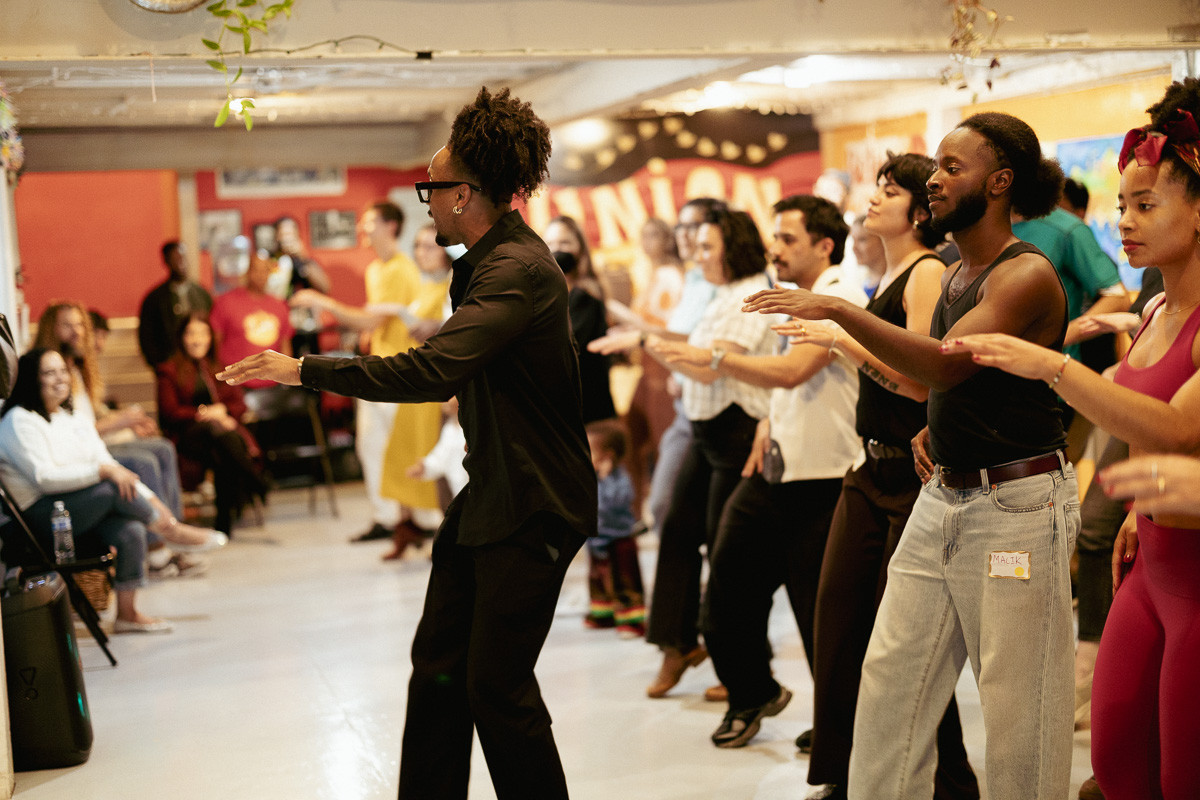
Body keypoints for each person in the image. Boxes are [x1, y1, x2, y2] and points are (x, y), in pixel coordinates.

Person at [216, 86, 596, 800]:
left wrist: (304, 369)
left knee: (497, 687)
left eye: (432, 188)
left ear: (466, 194)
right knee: (441, 669)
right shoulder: (486, 263)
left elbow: (430, 368)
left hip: (537, 504)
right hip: (495, 494)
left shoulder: (516, 272)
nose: (426, 200)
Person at [744, 111, 1077, 800]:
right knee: (891, 686)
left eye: (953, 167)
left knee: (1019, 714)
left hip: (1016, 506)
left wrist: (837, 314)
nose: (934, 179)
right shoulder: (958, 270)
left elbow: (946, 365)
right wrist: (938, 424)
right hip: (945, 495)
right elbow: (951, 386)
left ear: (1000, 181)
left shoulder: (1025, 274)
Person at [942, 79, 1200, 800]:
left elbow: (1179, 427)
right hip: (1150, 564)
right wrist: (1130, 514)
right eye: (1122, 204)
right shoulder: (1152, 313)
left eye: (1146, 205)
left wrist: (1052, 364)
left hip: (1197, 581)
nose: (1126, 222)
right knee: (1115, 761)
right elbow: (1146, 430)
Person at [778, 155, 977, 800]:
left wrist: (840, 337)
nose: (873, 200)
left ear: (919, 210)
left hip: (908, 478)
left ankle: (950, 783)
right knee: (836, 628)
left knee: (908, 645)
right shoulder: (890, 272)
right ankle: (837, 775)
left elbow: (920, 383)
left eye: (888, 193)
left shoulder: (925, 273)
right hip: (866, 472)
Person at [654, 194, 867, 749]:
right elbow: (788, 383)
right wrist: (768, 423)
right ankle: (752, 692)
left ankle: (840, 729)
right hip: (776, 467)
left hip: (826, 478)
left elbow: (795, 371)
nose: (775, 247)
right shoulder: (794, 299)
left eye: (788, 239)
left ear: (824, 245)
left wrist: (717, 360)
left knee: (820, 615)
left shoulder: (839, 294)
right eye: (774, 237)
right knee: (725, 588)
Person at [640, 207, 780, 699]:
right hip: (704, 432)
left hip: (736, 433)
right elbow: (695, 350)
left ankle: (743, 663)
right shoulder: (719, 292)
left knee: (729, 553)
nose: (696, 256)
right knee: (676, 528)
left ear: (733, 248)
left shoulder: (751, 293)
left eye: (706, 248)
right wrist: (645, 338)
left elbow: (710, 368)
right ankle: (677, 645)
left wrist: (647, 343)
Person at [0, 349, 226, 634]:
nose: (60, 378)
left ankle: (127, 614)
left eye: (62, 371)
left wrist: (151, 499)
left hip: (78, 508)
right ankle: (170, 533)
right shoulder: (18, 421)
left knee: (130, 529)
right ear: (32, 379)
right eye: (49, 372)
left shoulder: (73, 417)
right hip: (38, 518)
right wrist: (103, 472)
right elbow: (45, 479)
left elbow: (110, 466)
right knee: (110, 486)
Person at [291, 203, 446, 557]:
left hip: (401, 374)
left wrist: (323, 301)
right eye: (421, 246)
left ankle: (421, 522)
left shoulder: (405, 272)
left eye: (371, 221)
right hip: (379, 367)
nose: (363, 226)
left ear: (391, 226)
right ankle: (393, 519)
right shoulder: (378, 270)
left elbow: (376, 321)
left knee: (405, 451)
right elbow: (378, 323)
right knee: (375, 447)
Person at [36, 301, 186, 525]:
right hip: (80, 454)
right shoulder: (50, 377)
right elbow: (72, 433)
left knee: (163, 447)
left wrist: (127, 421)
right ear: (51, 330)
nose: (77, 331)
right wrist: (120, 421)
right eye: (67, 325)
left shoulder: (76, 368)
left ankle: (173, 526)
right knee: (144, 461)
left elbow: (88, 419)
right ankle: (158, 546)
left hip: (95, 441)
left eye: (80, 325)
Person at [156, 313, 268, 534]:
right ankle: (256, 481)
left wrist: (223, 411)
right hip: (187, 436)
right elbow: (169, 412)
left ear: (211, 338)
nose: (197, 340)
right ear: (181, 338)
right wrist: (204, 414)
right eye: (191, 333)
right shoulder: (168, 370)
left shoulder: (219, 366)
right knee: (216, 433)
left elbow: (239, 404)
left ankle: (223, 526)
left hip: (218, 439)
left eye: (202, 333)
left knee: (221, 451)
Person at [544, 215, 617, 423]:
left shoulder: (585, 295)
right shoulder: (547, 293)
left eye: (564, 243)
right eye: (550, 243)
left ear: (580, 249)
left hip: (586, 411)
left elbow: (564, 349)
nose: (557, 249)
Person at [583, 419, 645, 637]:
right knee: (598, 578)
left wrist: (606, 478)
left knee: (624, 580)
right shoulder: (590, 478)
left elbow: (620, 500)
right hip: (597, 538)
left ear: (608, 456)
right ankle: (603, 614)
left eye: (590, 451)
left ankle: (632, 620)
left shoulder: (618, 479)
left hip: (619, 539)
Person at [209, 251, 294, 390]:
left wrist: (286, 379)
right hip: (235, 384)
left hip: (271, 385)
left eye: (264, 271)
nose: (260, 275)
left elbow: (285, 345)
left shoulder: (280, 306)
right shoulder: (226, 301)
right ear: (248, 271)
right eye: (256, 270)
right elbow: (215, 342)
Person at [138, 241, 213, 368]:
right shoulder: (155, 298)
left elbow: (212, 326)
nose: (180, 262)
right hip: (169, 363)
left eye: (182, 257)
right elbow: (146, 336)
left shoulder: (202, 294)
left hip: (202, 363)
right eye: (175, 259)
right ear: (166, 262)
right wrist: (158, 364)